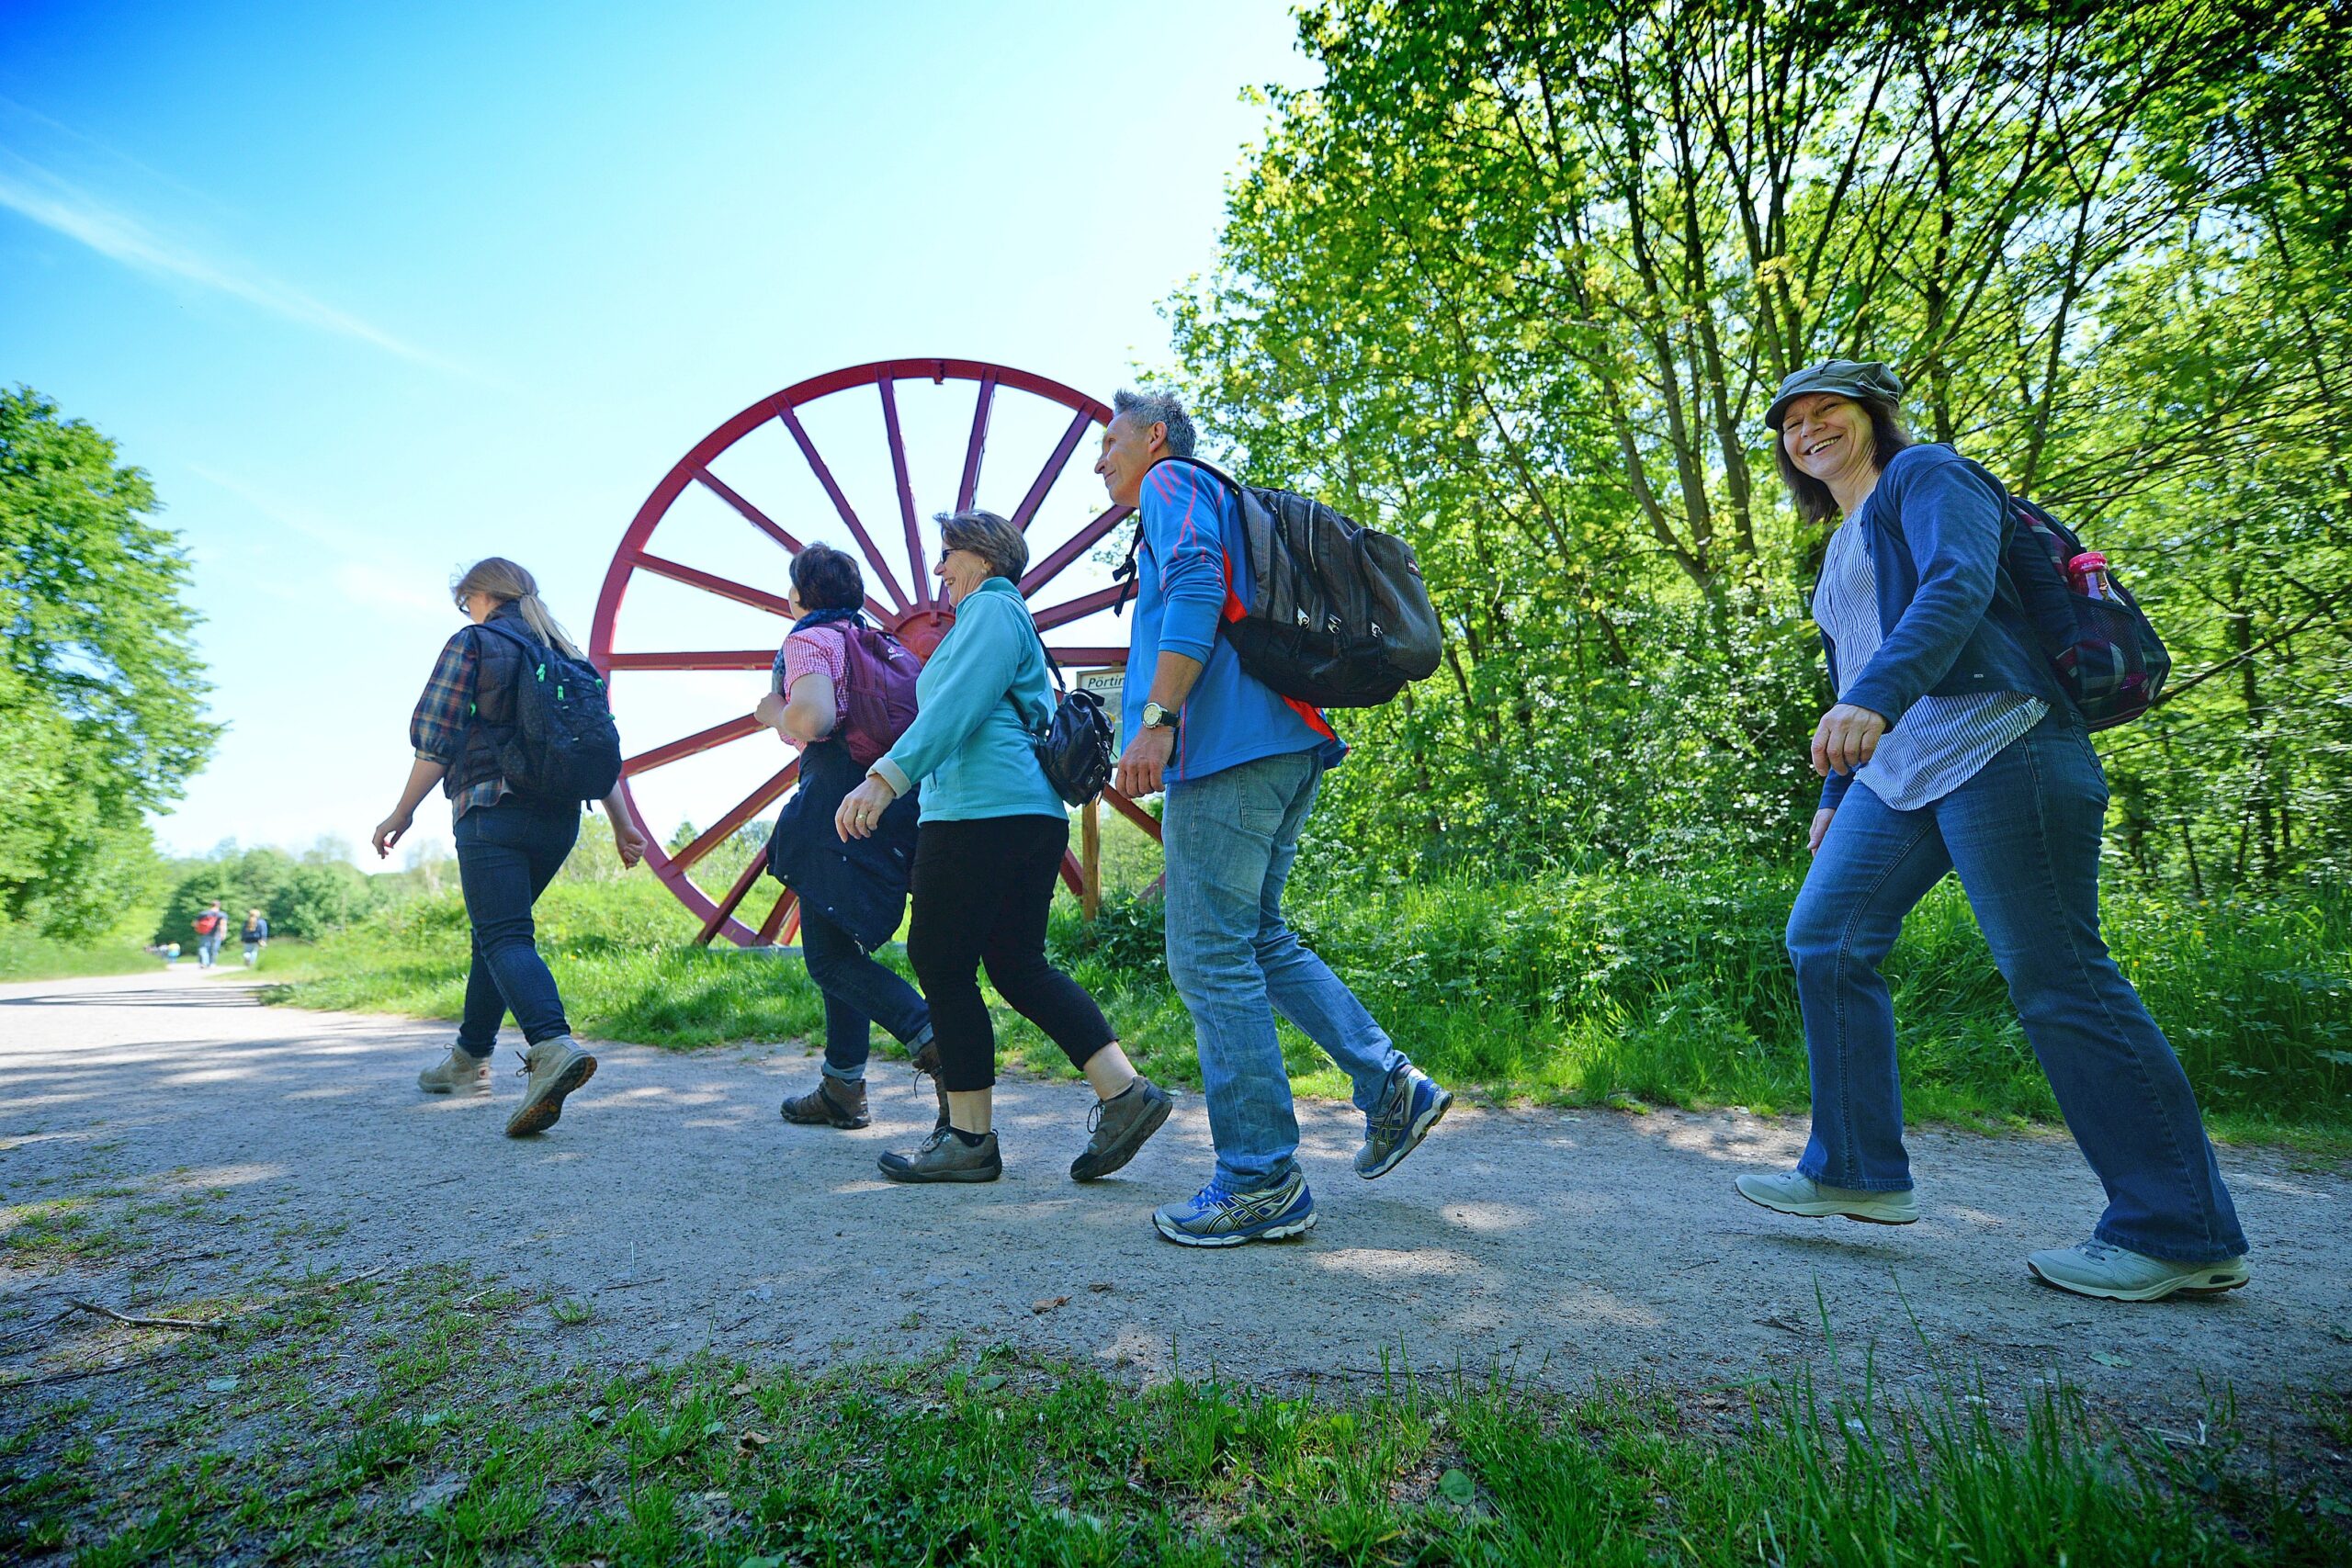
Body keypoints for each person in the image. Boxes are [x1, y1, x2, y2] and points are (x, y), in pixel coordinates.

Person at [1741, 359, 2248, 1302]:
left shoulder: (1927, 474)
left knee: (2055, 976)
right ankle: (1854, 1169)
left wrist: (1875, 699)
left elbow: (1957, 585)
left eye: (1828, 414)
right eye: (1791, 423)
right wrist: (1834, 793)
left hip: (2003, 744)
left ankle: (2178, 1230)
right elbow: (1855, 662)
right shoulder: (1843, 538)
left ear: (1873, 419)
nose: (1808, 431)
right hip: (1896, 776)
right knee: (1826, 935)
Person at [1098, 389, 1453, 1247]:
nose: (1100, 460)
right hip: (1284, 737)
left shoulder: (1173, 484)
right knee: (1257, 938)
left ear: (1154, 439)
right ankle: (1389, 1087)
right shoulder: (1206, 493)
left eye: (1110, 442)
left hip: (1227, 746)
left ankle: (1260, 1177)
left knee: (1208, 954)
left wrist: (1158, 720)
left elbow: (1192, 585)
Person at [835, 509, 1172, 1184]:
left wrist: (883, 781)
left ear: (984, 558)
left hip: (980, 814)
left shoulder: (991, 611)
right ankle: (1123, 1092)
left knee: (941, 958)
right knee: (1015, 965)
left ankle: (969, 1137)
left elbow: (955, 707)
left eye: (948, 555)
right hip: (1019, 813)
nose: (939, 571)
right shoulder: (998, 616)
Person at [371, 557, 648, 1138]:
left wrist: (402, 811)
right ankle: (469, 1061)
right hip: (560, 821)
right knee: (493, 934)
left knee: (504, 936)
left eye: (464, 600)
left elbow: (437, 739)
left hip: (491, 809)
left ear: (481, 595)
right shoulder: (568, 657)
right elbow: (600, 750)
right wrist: (622, 825)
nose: (464, 610)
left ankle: (550, 1046)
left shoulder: (474, 642)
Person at [759, 542, 941, 1131]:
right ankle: (842, 1085)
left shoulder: (810, 639)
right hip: (894, 797)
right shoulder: (886, 647)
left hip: (837, 800)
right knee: (844, 945)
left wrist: (771, 711)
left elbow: (812, 720)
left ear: (798, 597)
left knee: (829, 960)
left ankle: (932, 1036)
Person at [193, 900, 227, 970]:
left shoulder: (203, 914)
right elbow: (223, 925)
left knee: (203, 948)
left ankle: (204, 963)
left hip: (205, 933)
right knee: (214, 949)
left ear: (211, 905)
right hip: (216, 934)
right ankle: (212, 963)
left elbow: (195, 924)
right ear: (219, 906)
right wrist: (223, 934)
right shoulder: (222, 914)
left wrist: (198, 930)